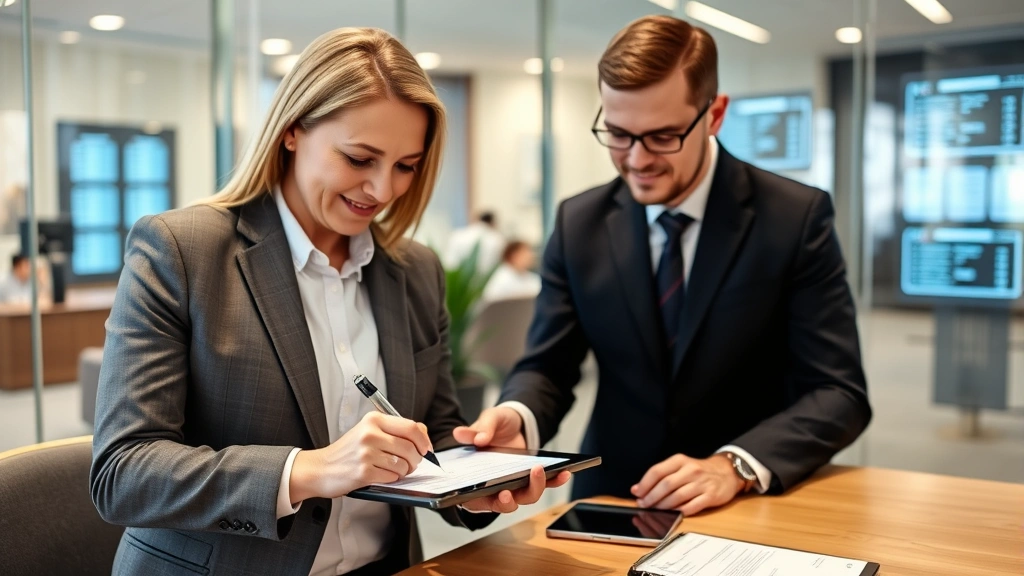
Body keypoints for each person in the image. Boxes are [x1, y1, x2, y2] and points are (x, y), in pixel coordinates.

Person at [90, 27, 568, 576]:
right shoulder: (183, 251)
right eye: (359, 158)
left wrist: (475, 483)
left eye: (406, 166)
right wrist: (310, 470)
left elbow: (433, 435)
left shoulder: (415, 272)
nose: (383, 190)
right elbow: (123, 473)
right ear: (292, 131)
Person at [455, 15, 871, 518]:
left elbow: (839, 392)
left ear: (715, 115)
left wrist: (734, 466)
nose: (636, 160)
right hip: (614, 499)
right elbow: (549, 365)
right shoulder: (579, 221)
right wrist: (518, 418)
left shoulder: (793, 218)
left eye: (662, 137)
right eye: (618, 134)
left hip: (746, 505)